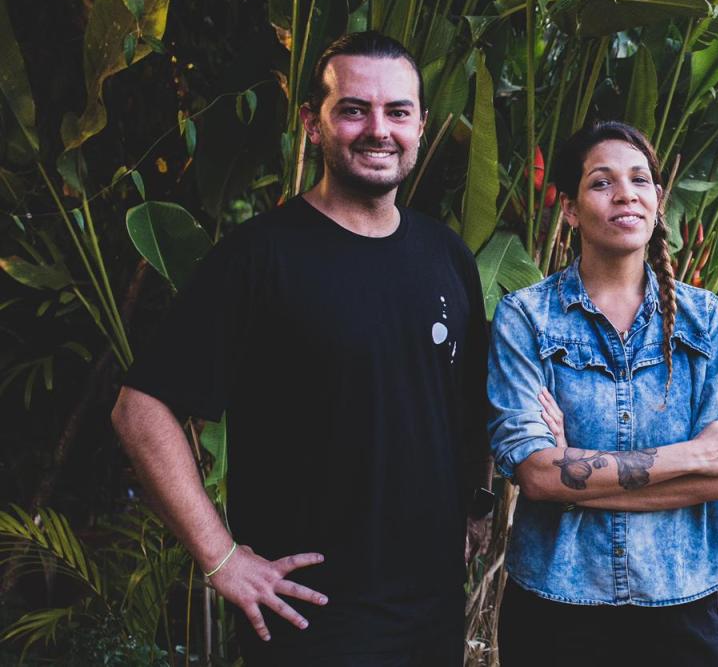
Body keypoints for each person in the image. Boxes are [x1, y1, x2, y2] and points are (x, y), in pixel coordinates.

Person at [111, 32, 491, 666]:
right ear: (313, 124)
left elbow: (466, 406)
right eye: (354, 110)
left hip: (431, 612)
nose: (379, 130)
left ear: (422, 125)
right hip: (311, 617)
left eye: (397, 112)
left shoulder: (446, 255)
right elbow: (139, 409)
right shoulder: (258, 257)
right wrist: (222, 559)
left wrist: (478, 509)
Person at [487, 121, 718, 665]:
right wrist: (693, 455)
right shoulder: (527, 317)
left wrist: (572, 483)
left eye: (639, 180)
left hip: (680, 602)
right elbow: (535, 474)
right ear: (570, 209)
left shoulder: (704, 319)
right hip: (557, 604)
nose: (624, 194)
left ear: (658, 200)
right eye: (601, 182)